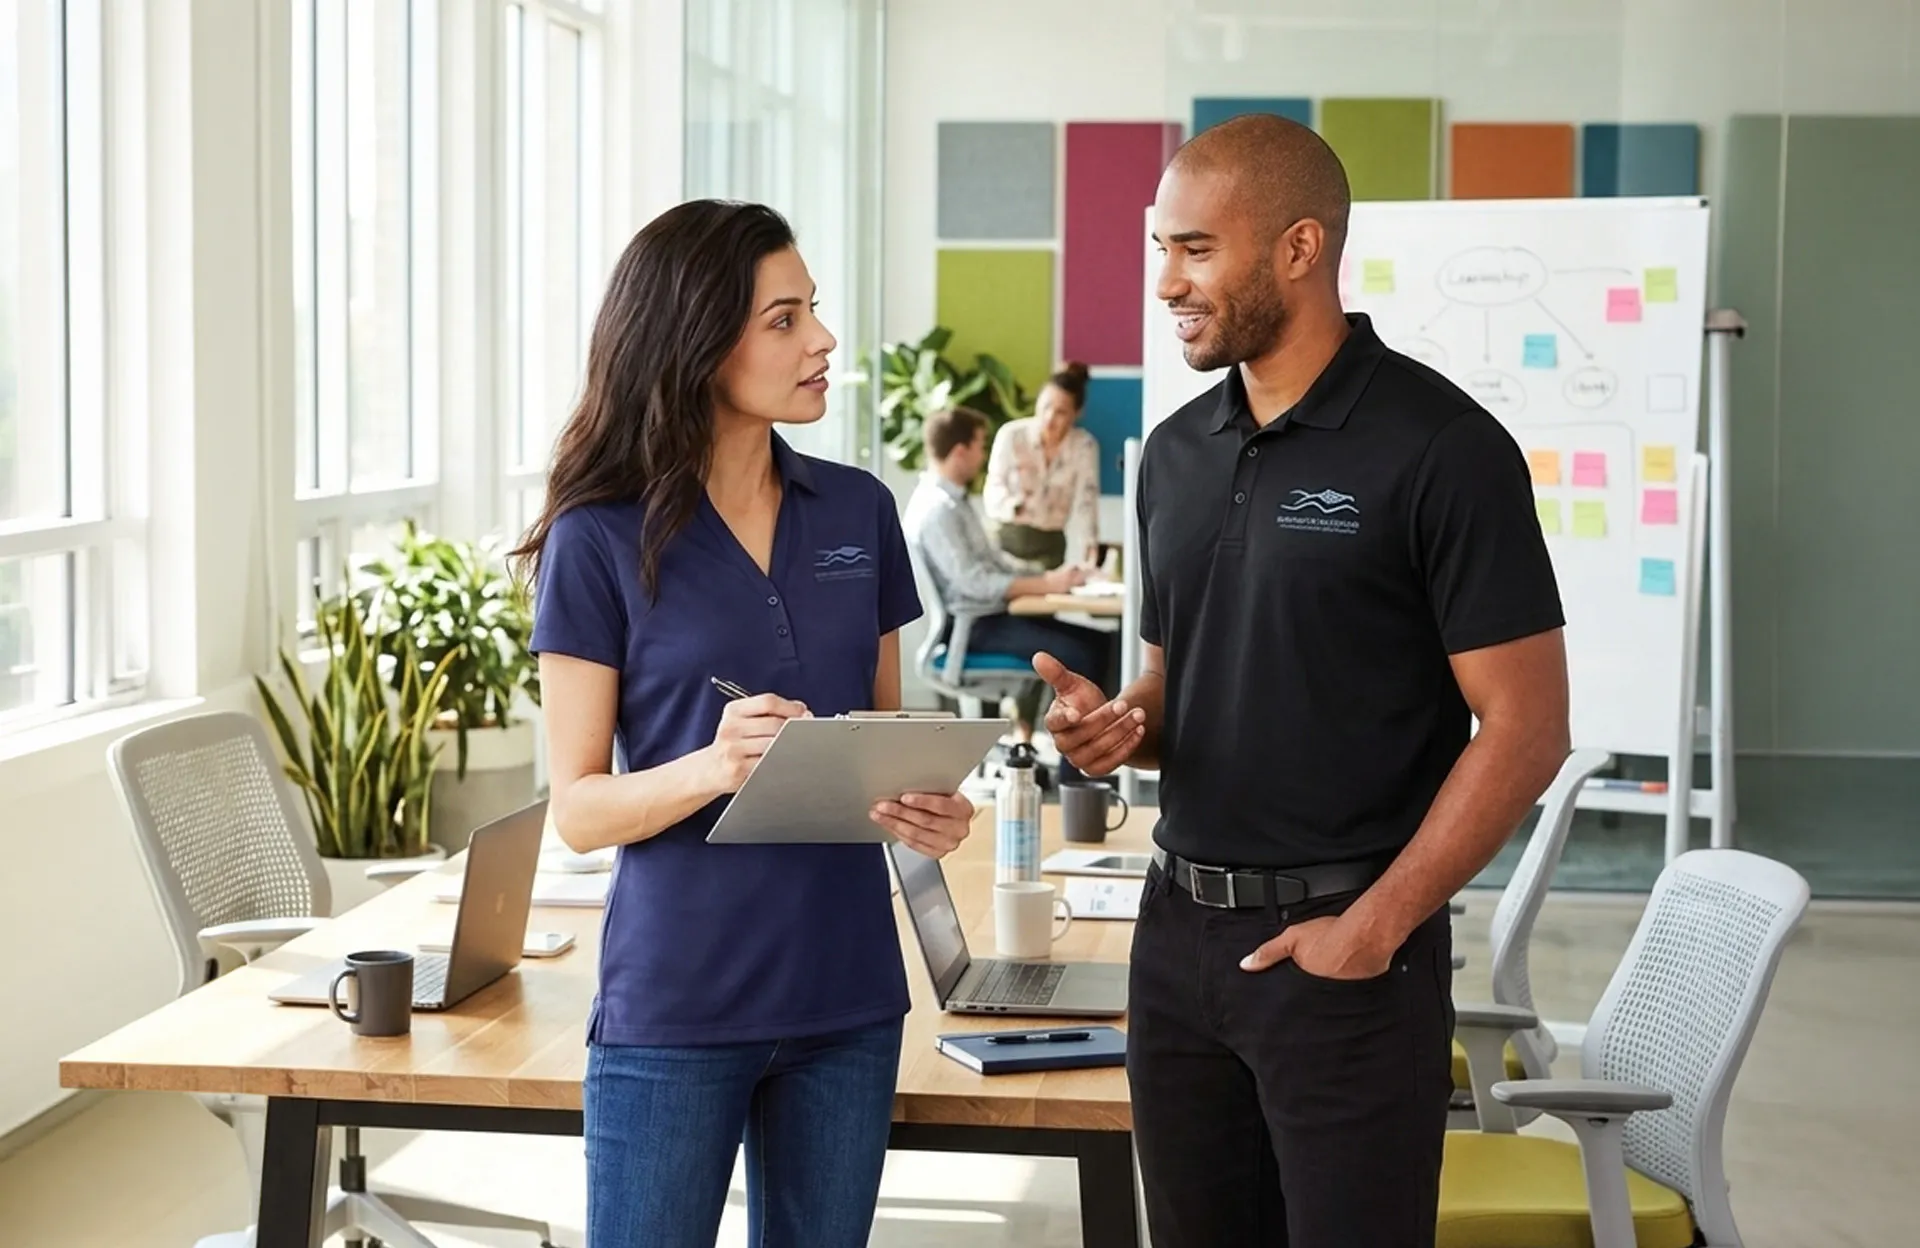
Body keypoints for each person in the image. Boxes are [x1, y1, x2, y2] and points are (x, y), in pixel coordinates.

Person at [1035, 114, 1571, 1247]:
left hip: (1347, 955)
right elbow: (1180, 686)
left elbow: (1526, 728)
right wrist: (1119, 728)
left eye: (1196, 250)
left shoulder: (1442, 448)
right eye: (1159, 252)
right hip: (1178, 942)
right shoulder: (1176, 455)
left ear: (1298, 248)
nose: (1169, 283)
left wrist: (1375, 928)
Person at [514, 199, 975, 1248]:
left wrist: (925, 810)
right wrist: (711, 767)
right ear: (695, 340)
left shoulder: (860, 512)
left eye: (813, 311)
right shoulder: (597, 541)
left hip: (848, 996)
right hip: (679, 1005)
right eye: (783, 319)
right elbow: (579, 813)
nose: (821, 341)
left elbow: (882, 742)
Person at [903, 405, 1119, 762]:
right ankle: (1079, 772)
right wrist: (1046, 582)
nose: (981, 456)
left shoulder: (954, 503)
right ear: (959, 451)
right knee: (1083, 655)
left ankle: (1096, 760)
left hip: (991, 618)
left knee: (1104, 643)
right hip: (975, 627)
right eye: (978, 446)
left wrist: (1052, 578)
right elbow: (975, 584)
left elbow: (995, 562)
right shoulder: (937, 510)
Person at [983, 360, 1103, 568]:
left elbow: (1087, 499)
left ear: (1077, 413)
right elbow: (994, 484)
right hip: (1005, 539)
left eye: (1061, 412)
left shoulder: (1084, 446)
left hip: (1050, 545)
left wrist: (1089, 544)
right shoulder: (1011, 435)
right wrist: (1014, 506)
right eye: (1046, 406)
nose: (1049, 418)